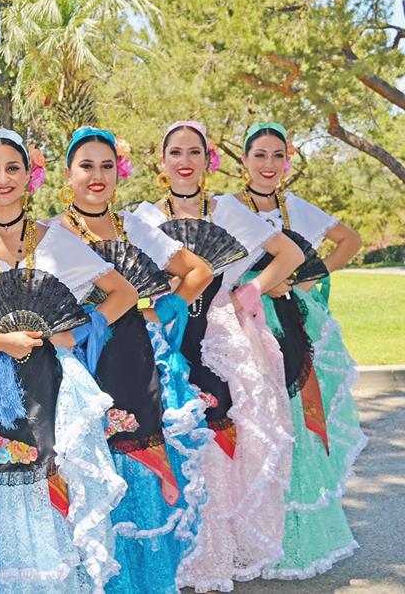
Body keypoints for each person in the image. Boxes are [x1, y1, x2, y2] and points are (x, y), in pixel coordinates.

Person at [0, 128, 136, 592]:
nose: (3, 179)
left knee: (45, 502)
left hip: (49, 392)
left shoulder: (55, 241)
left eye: (12, 168)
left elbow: (124, 292)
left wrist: (79, 330)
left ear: (29, 175)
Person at [132, 120, 304, 591]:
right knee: (171, 435)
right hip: (165, 334)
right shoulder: (143, 218)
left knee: (220, 437)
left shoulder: (227, 209)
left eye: (195, 152)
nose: (185, 161)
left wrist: (252, 289)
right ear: (162, 161)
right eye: (175, 152)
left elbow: (288, 255)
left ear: (208, 161)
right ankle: (177, 555)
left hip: (219, 334)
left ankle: (214, 556)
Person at [58, 126, 213, 594]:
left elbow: (199, 271)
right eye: (86, 165)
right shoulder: (52, 233)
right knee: (85, 462)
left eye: (107, 165)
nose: (97, 175)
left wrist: (160, 310)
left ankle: (144, 582)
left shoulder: (134, 227)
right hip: (76, 362)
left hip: (132, 357)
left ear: (118, 171)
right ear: (68, 174)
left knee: (137, 452)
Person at [227, 122, 367, 580]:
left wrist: (308, 279)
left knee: (295, 421)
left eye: (277, 156)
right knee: (256, 423)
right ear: (244, 160)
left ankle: (296, 540)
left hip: (290, 323)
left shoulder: (297, 208)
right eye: (260, 155)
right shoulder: (229, 208)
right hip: (245, 325)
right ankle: (253, 536)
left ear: (287, 162)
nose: (269, 165)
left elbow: (350, 241)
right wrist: (254, 285)